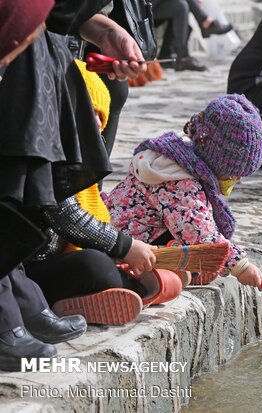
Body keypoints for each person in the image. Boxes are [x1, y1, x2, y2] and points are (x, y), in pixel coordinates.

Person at [0, 0, 148, 371]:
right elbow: (58, 209)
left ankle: (26, 302)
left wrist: (102, 30)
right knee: (98, 264)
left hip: (29, 35)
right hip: (45, 250)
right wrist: (122, 244)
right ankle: (17, 311)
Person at [24, 59, 183, 327]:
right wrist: (124, 247)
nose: (96, 126)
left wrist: (123, 251)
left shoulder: (79, 161)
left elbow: (94, 221)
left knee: (102, 260)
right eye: (88, 115)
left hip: (55, 260)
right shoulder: (44, 156)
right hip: (25, 270)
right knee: (95, 265)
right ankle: (136, 287)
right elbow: (67, 217)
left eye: (101, 117)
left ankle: (95, 298)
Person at [106, 95, 262, 288]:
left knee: (187, 266)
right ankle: (137, 283)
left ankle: (188, 263)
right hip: (129, 247)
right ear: (218, 158)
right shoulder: (178, 181)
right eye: (234, 174)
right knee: (178, 280)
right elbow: (197, 230)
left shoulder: (183, 158)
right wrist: (239, 265)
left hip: (142, 233)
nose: (238, 179)